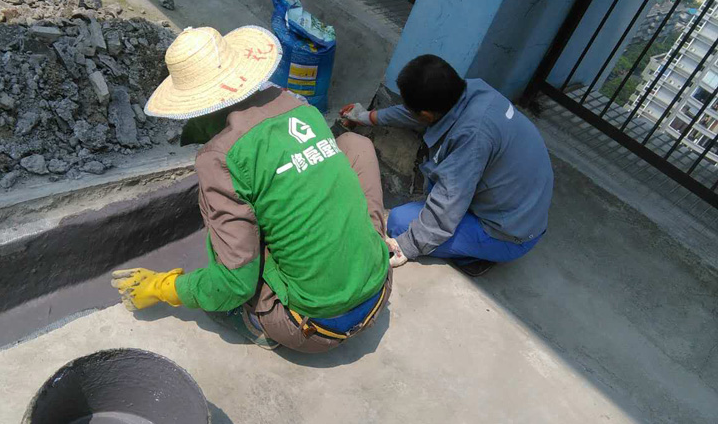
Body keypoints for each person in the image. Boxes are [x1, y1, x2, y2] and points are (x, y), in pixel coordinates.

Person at [111, 26, 391, 352]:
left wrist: (165, 288)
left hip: (312, 326)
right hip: (379, 286)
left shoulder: (219, 157)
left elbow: (233, 284)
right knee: (353, 144)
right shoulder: (303, 109)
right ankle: (373, 246)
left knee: (231, 267)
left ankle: (256, 324)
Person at [342, 55, 553, 277]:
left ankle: (481, 254)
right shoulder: (468, 91)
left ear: (426, 114)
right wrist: (366, 117)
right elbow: (413, 114)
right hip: (523, 209)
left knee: (400, 222)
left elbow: (446, 206)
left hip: (508, 234)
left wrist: (405, 247)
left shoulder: (473, 137)